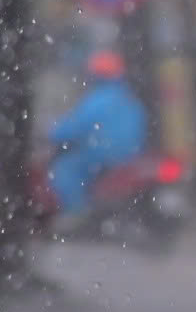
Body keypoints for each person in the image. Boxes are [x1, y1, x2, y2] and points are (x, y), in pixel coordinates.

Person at [46, 50, 149, 223]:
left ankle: (76, 214)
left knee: (65, 169)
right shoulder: (128, 98)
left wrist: (54, 134)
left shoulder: (97, 100)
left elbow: (75, 127)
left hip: (99, 154)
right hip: (129, 157)